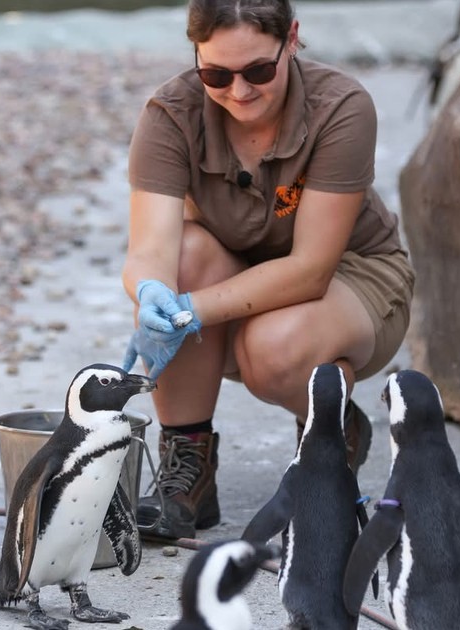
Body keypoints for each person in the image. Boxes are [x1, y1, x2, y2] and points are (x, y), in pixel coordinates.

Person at [121, 0, 414, 539]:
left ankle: (327, 435)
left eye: (259, 70)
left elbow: (309, 271)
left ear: (293, 39)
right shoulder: (169, 113)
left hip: (348, 278)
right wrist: (152, 294)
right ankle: (188, 470)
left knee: (272, 348)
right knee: (183, 257)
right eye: (216, 74)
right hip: (236, 272)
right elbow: (150, 248)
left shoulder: (341, 106)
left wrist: (191, 312)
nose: (239, 91)